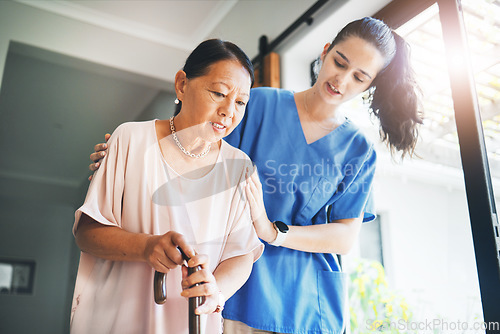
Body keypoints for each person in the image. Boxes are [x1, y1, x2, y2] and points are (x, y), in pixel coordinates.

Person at [90, 17, 422, 334]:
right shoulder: (258, 104)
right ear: (324, 52)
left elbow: (345, 237)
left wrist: (271, 231)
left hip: (309, 304)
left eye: (359, 77)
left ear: (370, 84)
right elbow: (196, 149)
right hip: (236, 287)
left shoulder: (358, 149)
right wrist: (128, 156)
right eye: (339, 62)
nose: (341, 80)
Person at [71, 39, 264, 334]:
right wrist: (146, 247)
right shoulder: (129, 139)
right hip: (116, 319)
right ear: (182, 85)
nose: (229, 111)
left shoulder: (240, 168)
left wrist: (217, 290)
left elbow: (241, 255)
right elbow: (87, 233)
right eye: (219, 93)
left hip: (192, 323)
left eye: (240, 102)